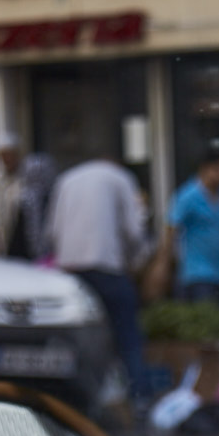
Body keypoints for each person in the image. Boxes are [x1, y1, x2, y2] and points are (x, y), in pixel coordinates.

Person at [46, 154, 162, 401]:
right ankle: (138, 397)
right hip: (106, 267)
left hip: (70, 271)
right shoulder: (120, 178)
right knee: (127, 333)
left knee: (78, 337)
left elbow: (52, 231)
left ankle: (79, 397)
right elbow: (134, 230)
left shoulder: (66, 179)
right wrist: (138, 260)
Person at [168, 141, 219, 303]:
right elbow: (171, 229)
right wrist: (165, 265)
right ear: (205, 168)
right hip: (197, 273)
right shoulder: (188, 196)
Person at [0, 133, 57, 263]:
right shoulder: (2, 184)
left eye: (9, 155)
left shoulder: (29, 184)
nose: (6, 160)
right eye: (2, 156)